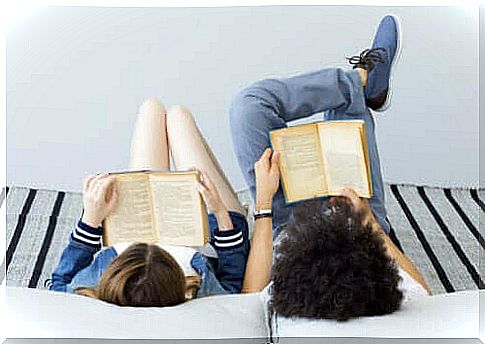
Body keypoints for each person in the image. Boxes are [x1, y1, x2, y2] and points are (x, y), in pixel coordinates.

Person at [229, 15, 431, 321]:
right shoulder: (374, 298)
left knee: (249, 106)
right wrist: (366, 219)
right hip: (356, 220)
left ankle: (358, 81)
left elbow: (249, 295)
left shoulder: (286, 300)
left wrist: (264, 205)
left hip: (286, 225)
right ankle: (362, 84)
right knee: (346, 110)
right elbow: (422, 293)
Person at [46, 100, 280, 306]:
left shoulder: (89, 291)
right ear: (182, 284)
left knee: (151, 110)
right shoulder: (203, 291)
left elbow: (59, 283)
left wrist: (91, 219)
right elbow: (233, 280)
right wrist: (219, 213)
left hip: (142, 231)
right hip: (214, 233)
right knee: (178, 117)